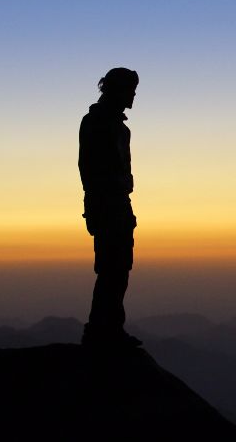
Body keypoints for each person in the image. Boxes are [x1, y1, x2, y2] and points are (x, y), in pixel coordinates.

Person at [78, 67, 142, 348]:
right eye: (130, 90)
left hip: (116, 203)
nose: (134, 96)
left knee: (119, 268)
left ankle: (109, 328)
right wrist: (101, 201)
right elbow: (89, 169)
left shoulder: (116, 126)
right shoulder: (97, 123)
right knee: (111, 268)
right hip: (108, 205)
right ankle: (101, 332)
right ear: (116, 90)